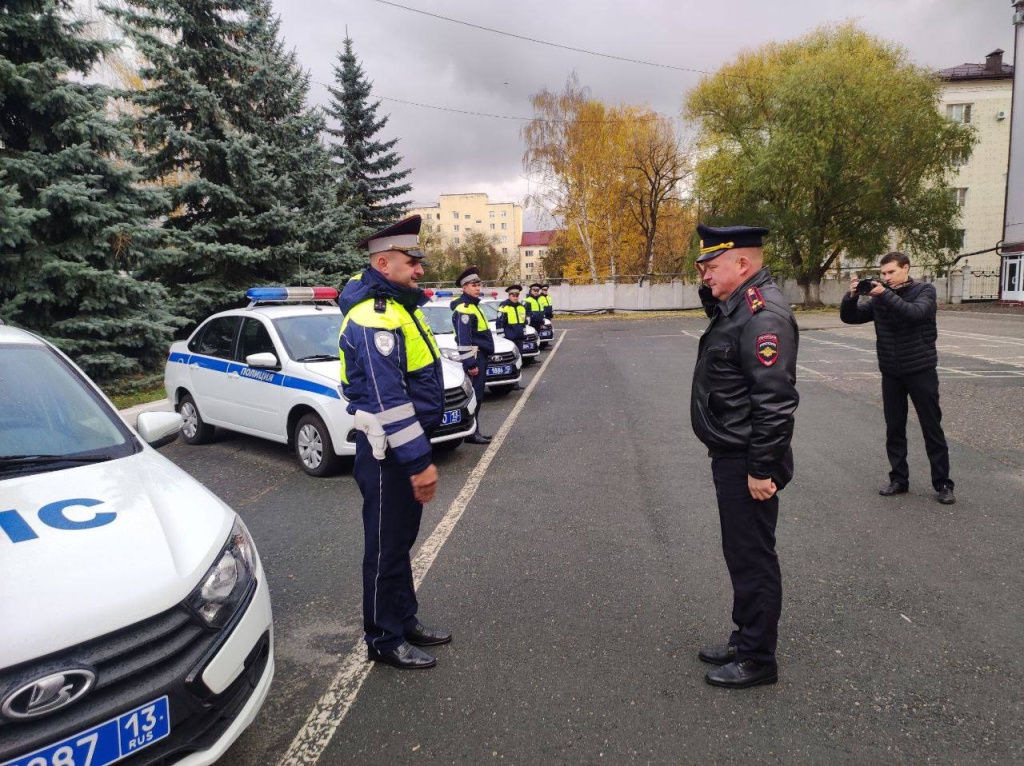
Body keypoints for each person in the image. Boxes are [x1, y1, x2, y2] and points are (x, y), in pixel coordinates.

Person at [338, 214, 452, 670]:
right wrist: (420, 461)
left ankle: (403, 619)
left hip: (400, 448)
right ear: (384, 264)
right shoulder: (374, 316)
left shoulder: (400, 307)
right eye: (412, 262)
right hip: (388, 452)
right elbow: (390, 400)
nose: (420, 270)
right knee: (385, 548)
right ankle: (383, 638)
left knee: (400, 541)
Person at [690, 223, 799, 689]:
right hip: (732, 452)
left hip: (747, 459)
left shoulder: (762, 315)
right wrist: (713, 289)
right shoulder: (739, 306)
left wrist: (760, 469)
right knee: (740, 551)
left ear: (743, 264)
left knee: (753, 555)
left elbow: (775, 402)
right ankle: (744, 635)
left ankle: (758, 658)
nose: (705, 276)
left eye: (712, 267)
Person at [840, 252, 955, 505]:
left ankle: (943, 483)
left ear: (906, 268)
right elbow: (850, 317)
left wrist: (884, 293)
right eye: (883, 273)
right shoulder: (881, 298)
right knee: (894, 428)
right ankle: (898, 480)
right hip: (891, 371)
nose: (886, 277)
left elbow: (914, 314)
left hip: (920, 370)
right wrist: (852, 296)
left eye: (891, 272)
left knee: (931, 427)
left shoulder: (925, 291)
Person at [450, 266, 495, 444]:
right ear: (464, 287)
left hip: (480, 356)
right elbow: (464, 339)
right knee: (475, 395)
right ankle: (471, 433)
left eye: (479, 284)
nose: (477, 287)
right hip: (475, 358)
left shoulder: (474, 306)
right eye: (473, 285)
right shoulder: (465, 309)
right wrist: (470, 363)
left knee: (478, 395)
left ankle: (474, 430)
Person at [497, 285, 527, 390]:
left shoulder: (521, 307)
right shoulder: (503, 307)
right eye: (513, 295)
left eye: (517, 295)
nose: (515, 297)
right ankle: (509, 383)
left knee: (519, 360)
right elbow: (499, 324)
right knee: (510, 362)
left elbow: (523, 323)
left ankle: (516, 382)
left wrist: (524, 335)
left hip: (519, 338)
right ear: (509, 295)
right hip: (509, 340)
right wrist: (502, 339)